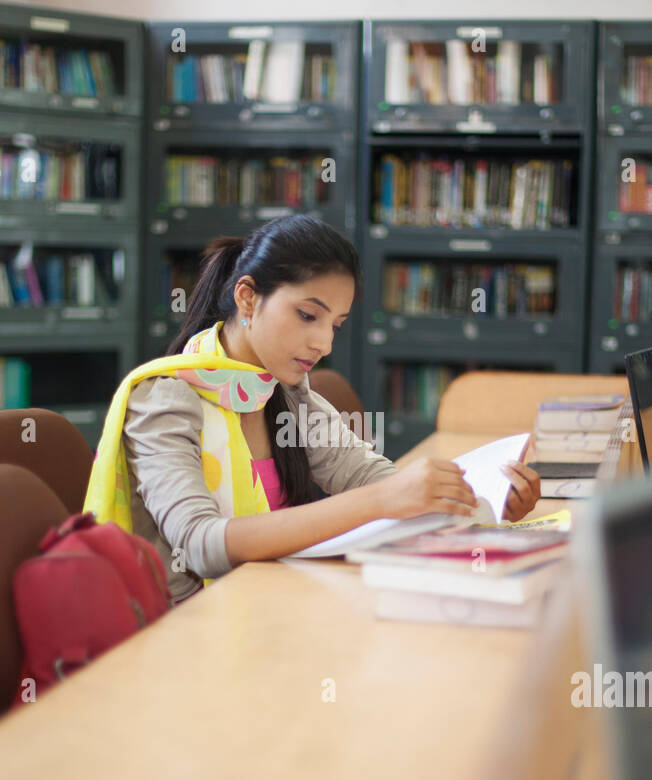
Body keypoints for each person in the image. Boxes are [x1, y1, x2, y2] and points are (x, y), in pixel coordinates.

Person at [84, 214, 542, 603]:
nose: (322, 343)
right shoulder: (165, 398)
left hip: (274, 605)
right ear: (247, 297)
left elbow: (371, 477)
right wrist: (383, 500)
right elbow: (202, 545)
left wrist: (480, 500)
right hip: (195, 630)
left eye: (335, 325)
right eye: (308, 315)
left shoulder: (283, 390)